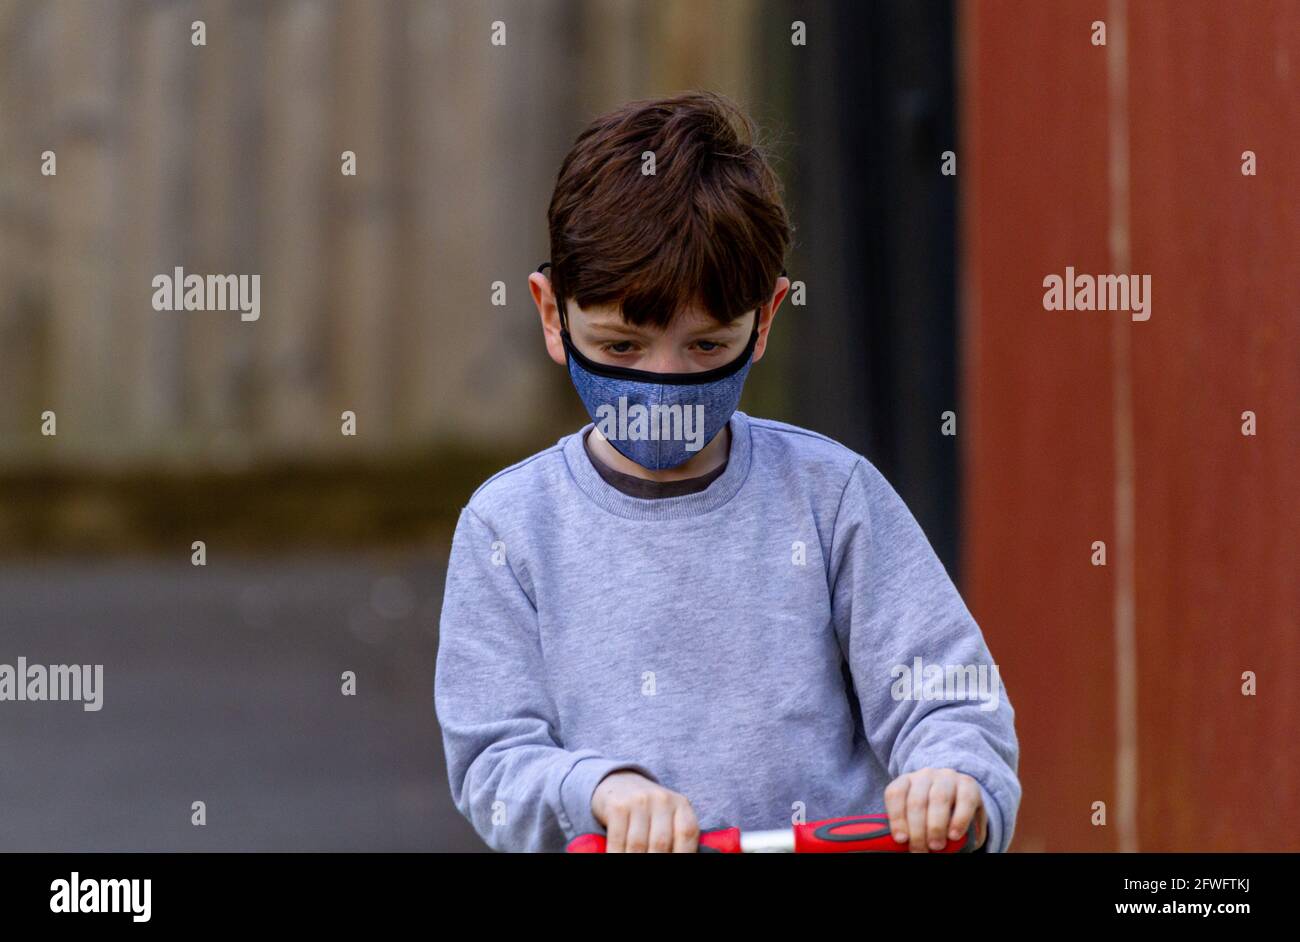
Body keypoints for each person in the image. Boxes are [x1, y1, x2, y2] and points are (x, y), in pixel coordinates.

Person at [434, 90, 1020, 853]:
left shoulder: (829, 496)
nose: (662, 386)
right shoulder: (508, 526)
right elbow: (493, 763)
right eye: (620, 348)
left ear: (765, 319)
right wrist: (600, 790)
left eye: (706, 347)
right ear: (553, 315)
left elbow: (948, 693)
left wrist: (953, 777)